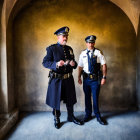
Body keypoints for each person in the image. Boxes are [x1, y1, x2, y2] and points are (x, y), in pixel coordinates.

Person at [42, 26, 83, 129]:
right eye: (63, 36)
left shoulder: (69, 49)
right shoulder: (51, 48)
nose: (65, 38)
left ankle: (71, 116)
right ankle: (57, 118)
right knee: (56, 100)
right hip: (56, 79)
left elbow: (74, 62)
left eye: (66, 36)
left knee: (70, 99)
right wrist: (55, 64)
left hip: (68, 79)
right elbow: (45, 62)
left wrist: (74, 64)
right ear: (58, 37)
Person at [78, 35, 107, 125]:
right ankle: (88, 115)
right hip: (86, 79)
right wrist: (79, 77)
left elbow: (104, 65)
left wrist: (104, 77)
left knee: (95, 98)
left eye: (92, 42)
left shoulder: (98, 52)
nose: (90, 44)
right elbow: (80, 66)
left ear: (94, 43)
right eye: (89, 42)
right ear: (86, 43)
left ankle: (98, 116)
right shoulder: (82, 53)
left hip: (95, 80)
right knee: (87, 98)